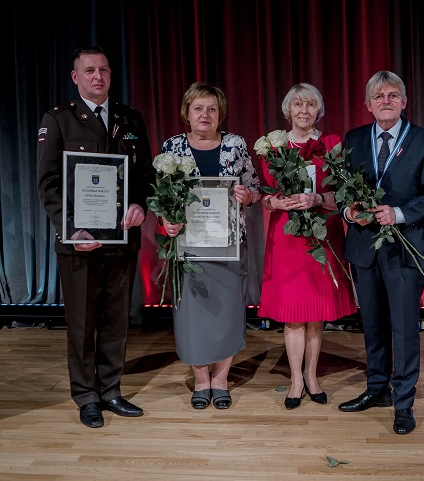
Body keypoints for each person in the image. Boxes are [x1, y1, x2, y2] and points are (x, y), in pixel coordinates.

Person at [36, 46, 155, 428]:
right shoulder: (59, 120)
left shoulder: (130, 118)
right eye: (89, 70)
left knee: (117, 320)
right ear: (76, 77)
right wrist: (71, 229)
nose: (97, 76)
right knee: (82, 323)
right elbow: (48, 184)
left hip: (122, 240)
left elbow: (145, 176)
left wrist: (140, 206)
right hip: (79, 243)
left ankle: (111, 390)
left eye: (103, 69)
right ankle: (86, 395)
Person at [337, 70, 424, 434]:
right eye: (378, 96)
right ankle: (377, 389)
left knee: (403, 328)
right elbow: (341, 191)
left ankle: (404, 403)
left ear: (404, 102)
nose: (386, 101)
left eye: (393, 95)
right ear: (368, 104)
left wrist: (398, 214)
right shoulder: (354, 139)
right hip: (364, 247)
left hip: (405, 247)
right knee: (372, 325)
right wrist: (348, 212)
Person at [160, 82, 260, 410]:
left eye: (212, 109)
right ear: (187, 113)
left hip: (229, 244)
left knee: (228, 313)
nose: (205, 114)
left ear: (221, 114)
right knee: (191, 316)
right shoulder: (172, 146)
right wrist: (165, 219)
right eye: (198, 108)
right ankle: (201, 380)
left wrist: (248, 195)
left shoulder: (235, 144)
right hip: (188, 246)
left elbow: (255, 187)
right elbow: (161, 196)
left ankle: (221, 379)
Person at [257, 83, 357, 410]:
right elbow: (264, 194)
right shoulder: (273, 146)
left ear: (319, 110)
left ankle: (312, 377)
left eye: (310, 105)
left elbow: (343, 194)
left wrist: (318, 198)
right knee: (293, 314)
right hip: (287, 239)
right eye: (298, 104)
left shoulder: (332, 144)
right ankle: (295, 381)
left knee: (316, 313)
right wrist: (273, 202)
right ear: (288, 110)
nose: (304, 111)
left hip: (322, 236)